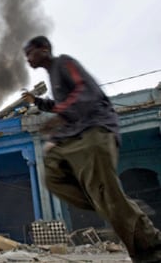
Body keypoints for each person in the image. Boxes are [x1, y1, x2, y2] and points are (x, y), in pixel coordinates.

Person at [21, 35, 161, 262]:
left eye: (30, 52)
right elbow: (59, 105)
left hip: (96, 129)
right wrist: (36, 101)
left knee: (106, 195)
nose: (27, 59)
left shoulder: (64, 63)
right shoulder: (54, 76)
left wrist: (59, 118)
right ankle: (124, 206)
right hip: (77, 135)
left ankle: (149, 246)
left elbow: (86, 91)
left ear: (44, 49)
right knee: (53, 176)